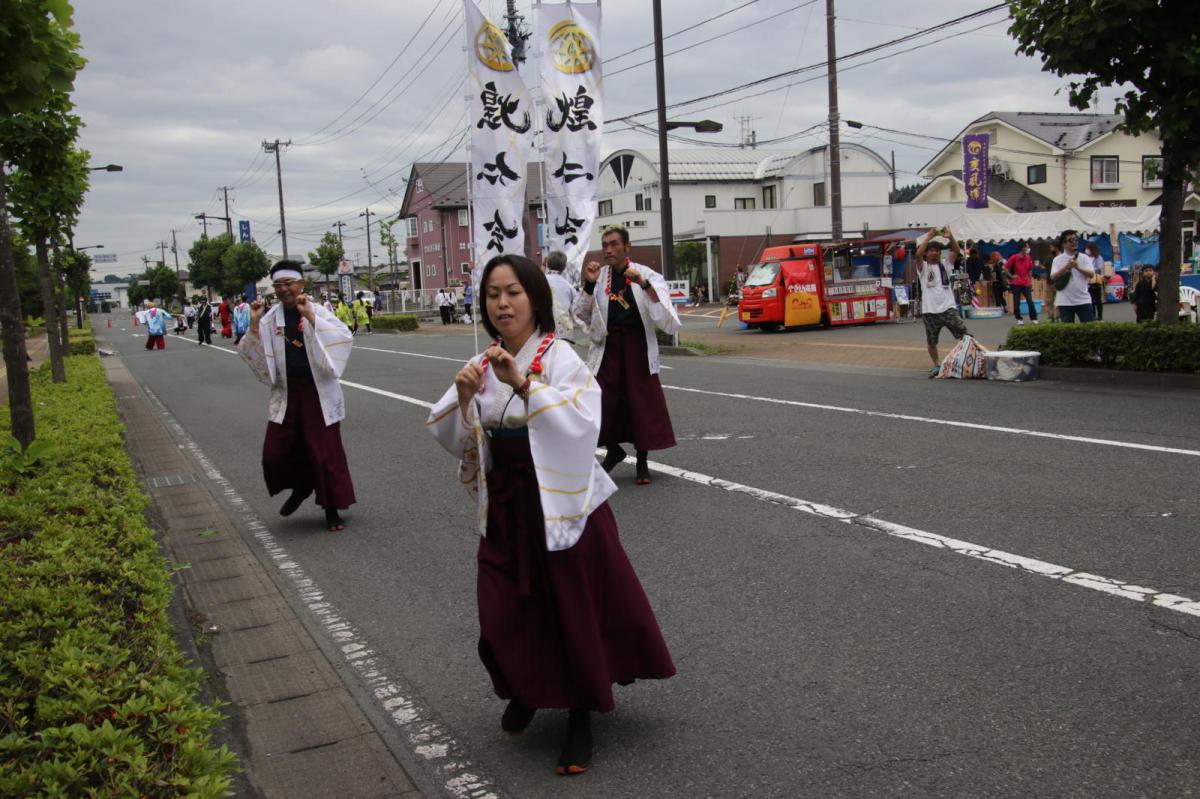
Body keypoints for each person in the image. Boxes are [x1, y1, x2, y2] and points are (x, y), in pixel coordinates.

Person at [426, 253, 675, 777]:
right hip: (508, 502)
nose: (502, 303)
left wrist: (523, 385)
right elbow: (452, 434)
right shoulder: (482, 363)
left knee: (570, 606)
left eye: (513, 292)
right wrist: (466, 400)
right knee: (504, 605)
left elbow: (585, 422)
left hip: (561, 502)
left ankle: (581, 712)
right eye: (493, 294)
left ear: (534, 297)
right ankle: (526, 687)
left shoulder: (558, 356)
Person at [238, 260, 356, 532]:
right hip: (286, 393)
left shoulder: (318, 310)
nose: (284, 290)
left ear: (301, 284)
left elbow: (343, 337)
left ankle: (331, 509)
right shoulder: (269, 319)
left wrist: (311, 318)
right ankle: (302, 486)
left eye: (288, 284)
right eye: (278, 285)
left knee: (324, 452)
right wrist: (254, 323)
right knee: (273, 454)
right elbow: (250, 351)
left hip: (318, 392)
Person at [575, 224, 680, 484]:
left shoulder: (646, 274)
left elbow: (665, 315)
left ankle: (642, 461)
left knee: (640, 403)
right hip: (608, 347)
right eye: (605, 245)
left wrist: (643, 284)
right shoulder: (599, 277)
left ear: (627, 247)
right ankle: (613, 450)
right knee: (601, 401)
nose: (608, 250)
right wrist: (589, 285)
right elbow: (580, 313)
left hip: (637, 347)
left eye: (614, 244)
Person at [915, 227, 970, 377]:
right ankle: (936, 365)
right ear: (927, 253)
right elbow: (918, 254)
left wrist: (950, 236)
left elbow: (956, 251)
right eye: (931, 250)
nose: (934, 253)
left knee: (964, 335)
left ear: (940, 253)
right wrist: (928, 237)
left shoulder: (946, 264)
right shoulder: (923, 267)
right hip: (930, 310)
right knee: (931, 341)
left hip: (948, 308)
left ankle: (965, 360)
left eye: (937, 251)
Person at [1051, 230, 1096, 323]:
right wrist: (1066, 267)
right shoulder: (1057, 259)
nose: (1074, 242)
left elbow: (1091, 274)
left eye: (1075, 239)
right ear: (1063, 244)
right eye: (1070, 240)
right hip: (1064, 301)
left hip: (1083, 299)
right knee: (1067, 329)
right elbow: (1053, 277)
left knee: (1090, 327)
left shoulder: (1084, 257)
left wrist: (1078, 267)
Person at [542, 250, 580, 341]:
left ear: (547, 264)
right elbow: (576, 308)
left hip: (544, 327)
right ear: (564, 267)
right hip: (564, 329)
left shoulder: (541, 281)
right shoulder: (568, 286)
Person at [1005, 242, 1038, 324]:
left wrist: (1030, 280)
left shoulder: (1028, 257)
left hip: (1026, 283)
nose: (1028, 249)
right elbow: (1005, 267)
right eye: (1027, 247)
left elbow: (1030, 269)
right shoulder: (1014, 257)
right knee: (1017, 302)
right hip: (1016, 283)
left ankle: (1033, 318)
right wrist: (1011, 276)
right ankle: (1019, 319)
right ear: (1022, 248)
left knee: (1030, 301)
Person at [1084, 241, 1107, 321]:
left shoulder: (1098, 258)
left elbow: (1100, 269)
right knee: (1090, 300)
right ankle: (1092, 315)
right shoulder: (1085, 258)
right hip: (1087, 281)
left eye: (1088, 249)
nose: (1086, 250)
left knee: (1098, 300)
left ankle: (1100, 316)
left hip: (1096, 281)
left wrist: (1091, 270)